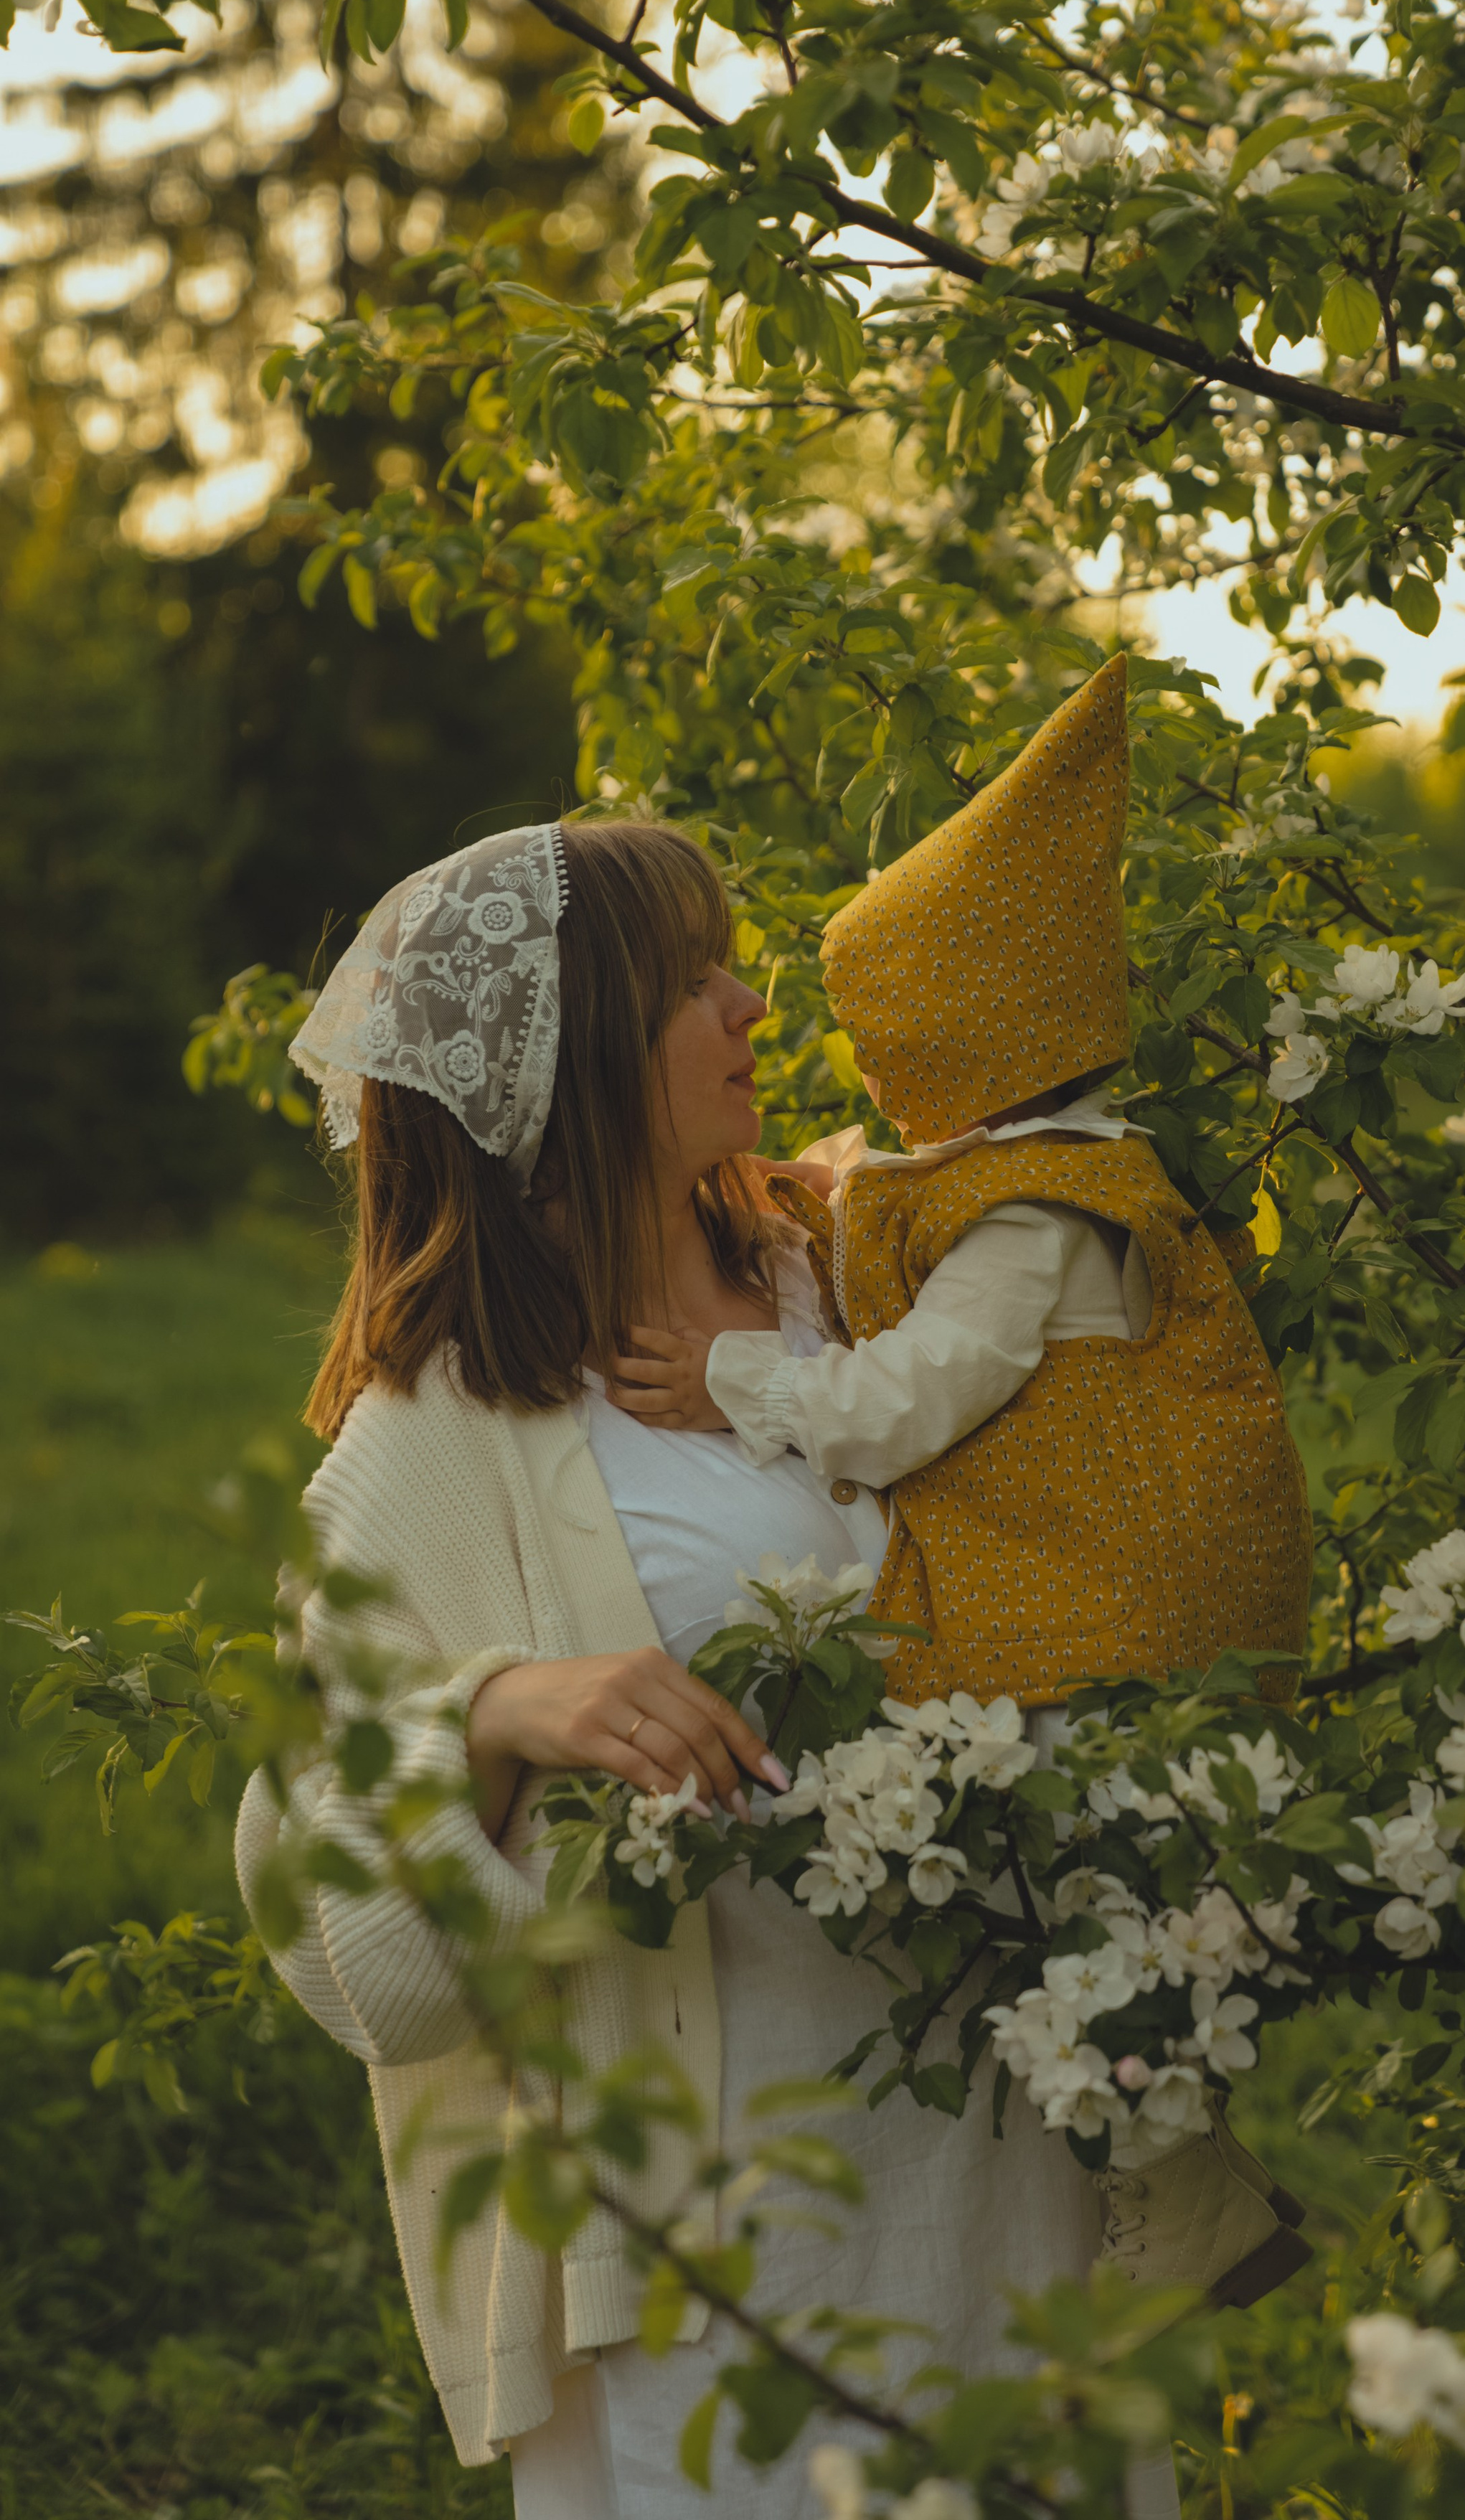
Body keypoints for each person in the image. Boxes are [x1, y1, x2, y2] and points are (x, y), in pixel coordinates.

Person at [233, 816, 1119, 2518]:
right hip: (724, 2230)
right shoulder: (437, 1436)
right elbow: (337, 1935)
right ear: (570, 1054)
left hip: (1000, 2139)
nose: (750, 1008)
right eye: (689, 981)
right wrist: (491, 1712)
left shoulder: (857, 1275)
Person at [604, 657, 1316, 2310]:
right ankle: (1170, 2172)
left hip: (1119, 1619)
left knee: (1075, 1880)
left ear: (971, 1027)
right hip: (1104, 1609)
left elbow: (906, 1402)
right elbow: (880, 1216)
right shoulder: (1012, 1176)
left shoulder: (1039, 1215)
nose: (850, 1065)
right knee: (1085, 1893)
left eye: (885, 1037)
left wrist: (733, 1381)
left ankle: (1174, 2186)